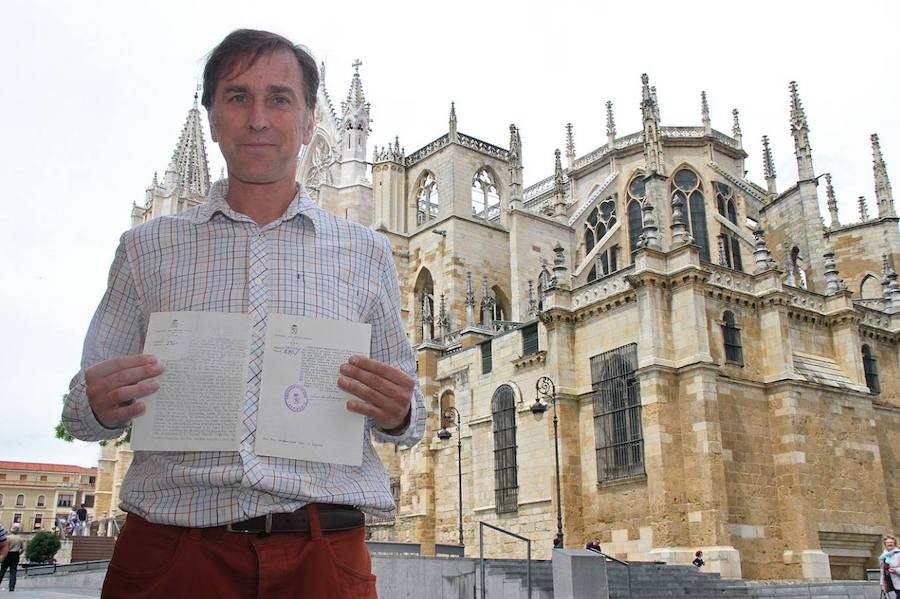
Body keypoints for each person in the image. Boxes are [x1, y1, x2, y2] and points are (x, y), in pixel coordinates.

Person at [61, 29, 424, 599]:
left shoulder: (368, 250)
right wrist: (96, 403)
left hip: (322, 551)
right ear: (211, 120)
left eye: (280, 99)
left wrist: (399, 411)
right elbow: (82, 414)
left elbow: (412, 415)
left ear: (311, 125)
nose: (258, 118)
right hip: (173, 552)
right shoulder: (146, 247)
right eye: (237, 97)